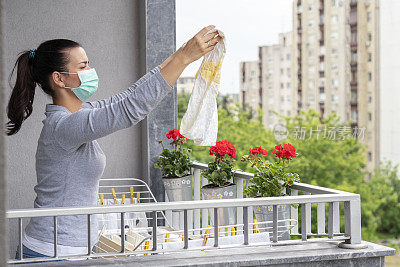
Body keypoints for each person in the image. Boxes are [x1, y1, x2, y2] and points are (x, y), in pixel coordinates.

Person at [7, 25, 222, 260]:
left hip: (68, 250)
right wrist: (183, 58)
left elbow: (127, 97)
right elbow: (129, 109)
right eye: (83, 66)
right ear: (58, 78)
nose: (90, 70)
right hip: (52, 252)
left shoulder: (80, 113)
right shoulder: (64, 126)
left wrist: (182, 53)